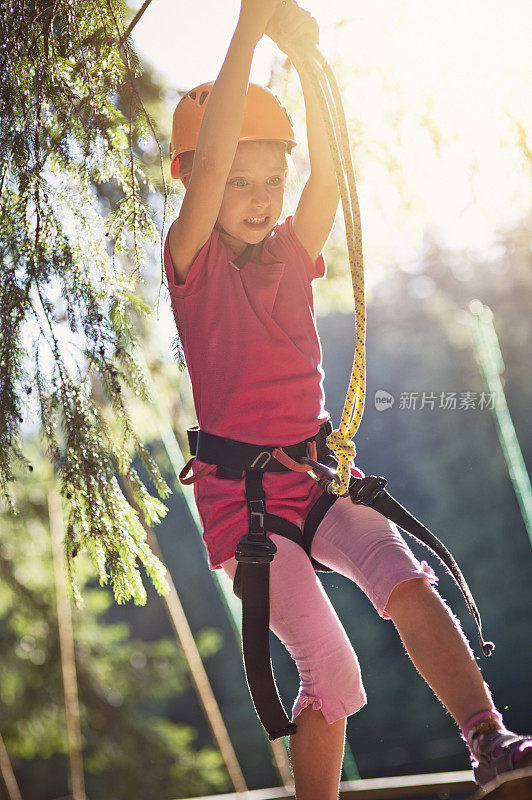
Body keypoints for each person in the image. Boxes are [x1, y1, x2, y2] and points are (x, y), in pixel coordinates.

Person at [163, 1, 531, 797]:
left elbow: (328, 176)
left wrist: (299, 60)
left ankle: (489, 741)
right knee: (332, 672)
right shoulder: (193, 265)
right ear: (193, 181)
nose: (261, 198)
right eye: (236, 181)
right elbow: (218, 141)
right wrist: (248, 31)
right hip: (247, 506)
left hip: (317, 481)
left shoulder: (293, 254)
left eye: (271, 180)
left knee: (406, 578)